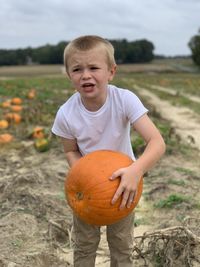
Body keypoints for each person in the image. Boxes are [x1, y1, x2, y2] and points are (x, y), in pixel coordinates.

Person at [51, 35, 166, 267]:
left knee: (122, 246)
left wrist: (136, 170)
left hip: (125, 187)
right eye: (77, 69)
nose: (86, 75)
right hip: (85, 192)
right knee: (84, 246)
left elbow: (157, 142)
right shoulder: (66, 114)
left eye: (94, 67)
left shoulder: (124, 100)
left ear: (111, 72)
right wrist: (86, 177)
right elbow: (70, 151)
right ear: (68, 75)